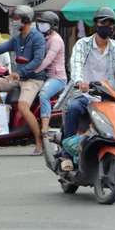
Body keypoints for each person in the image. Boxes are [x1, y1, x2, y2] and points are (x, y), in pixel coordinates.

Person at [61, 7, 115, 171]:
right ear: (95, 25)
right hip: (86, 96)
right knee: (73, 109)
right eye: (103, 23)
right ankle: (66, 155)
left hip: (109, 98)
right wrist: (80, 81)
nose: (106, 26)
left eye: (109, 24)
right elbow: (77, 64)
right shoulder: (83, 44)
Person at [0, 5, 48, 155]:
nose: (14, 22)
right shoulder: (17, 39)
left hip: (33, 79)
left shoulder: (37, 38)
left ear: (25, 20)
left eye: (16, 19)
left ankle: (39, 142)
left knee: (23, 106)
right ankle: (5, 118)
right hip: (18, 77)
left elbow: (37, 61)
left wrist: (20, 73)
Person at [33, 11, 67, 140]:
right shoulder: (41, 37)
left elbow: (47, 60)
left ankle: (44, 129)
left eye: (45, 23)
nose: (41, 25)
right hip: (44, 76)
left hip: (57, 78)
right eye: (40, 22)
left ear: (53, 26)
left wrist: (33, 71)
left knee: (43, 95)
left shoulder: (56, 40)